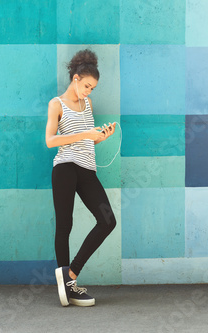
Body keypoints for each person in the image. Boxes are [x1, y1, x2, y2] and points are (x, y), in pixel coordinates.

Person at [45, 49, 117, 307]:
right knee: (65, 225)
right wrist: (86, 134)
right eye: (87, 85)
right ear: (75, 79)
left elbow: (88, 137)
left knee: (107, 221)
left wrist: (100, 136)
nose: (89, 91)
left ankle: (70, 275)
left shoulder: (87, 103)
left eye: (93, 88)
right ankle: (68, 289)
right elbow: (50, 140)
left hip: (87, 169)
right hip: (64, 167)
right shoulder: (57, 104)